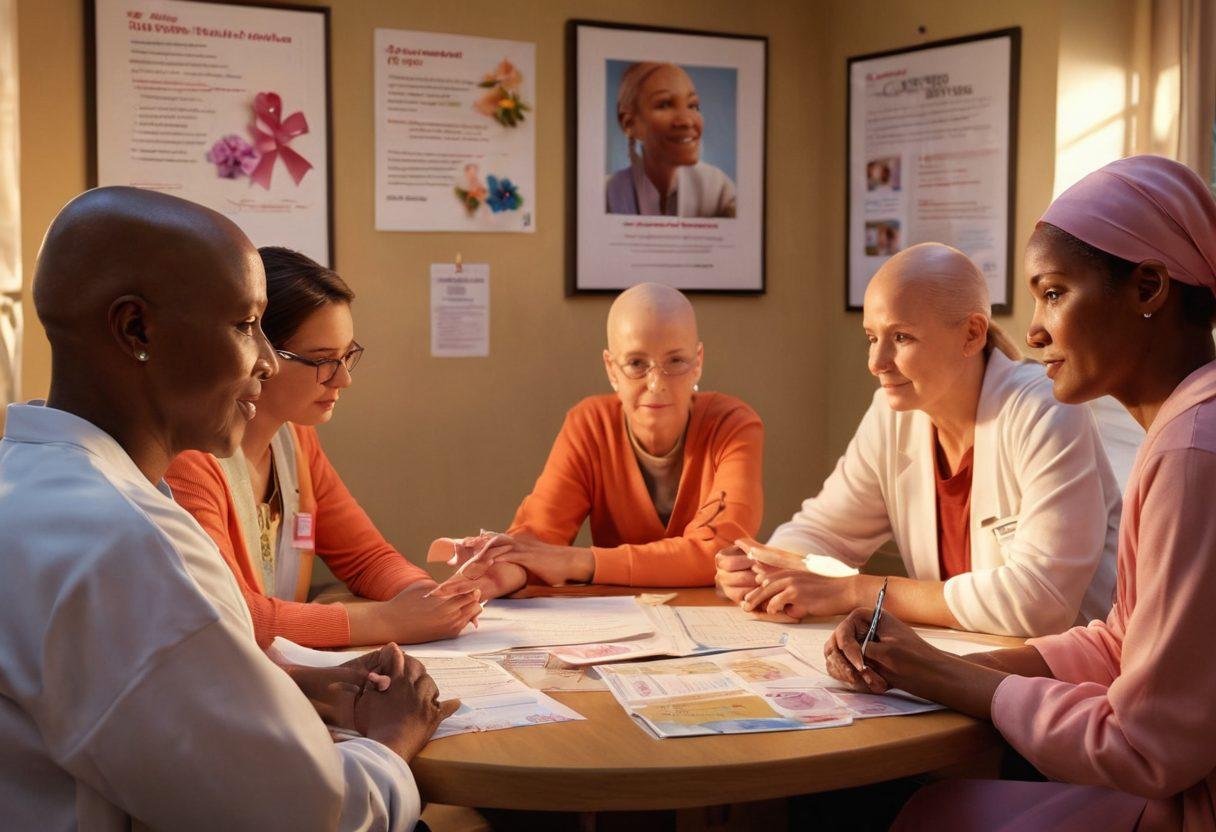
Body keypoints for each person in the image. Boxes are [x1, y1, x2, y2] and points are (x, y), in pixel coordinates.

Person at [0, 186, 454, 830]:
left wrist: (289, 685)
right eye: (245, 326)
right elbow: (304, 816)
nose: (265, 361)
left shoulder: (28, 479)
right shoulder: (127, 544)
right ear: (137, 329)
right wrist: (391, 745)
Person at [826, 155, 1216, 831]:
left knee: (930, 817)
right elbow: (1126, 640)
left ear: (1148, 287)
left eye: (1055, 293)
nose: (1032, 331)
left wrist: (953, 678)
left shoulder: (1192, 451)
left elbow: (1150, 749)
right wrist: (924, 662)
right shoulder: (1186, 424)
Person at [719, 243, 1121, 637]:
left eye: (902, 337)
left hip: (1070, 680)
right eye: (872, 337)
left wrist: (860, 591)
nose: (876, 363)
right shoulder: (891, 414)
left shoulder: (1045, 410)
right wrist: (765, 568)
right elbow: (824, 532)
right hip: (961, 667)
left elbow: (1039, 603)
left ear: (971, 334)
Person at [167, 247, 480, 649]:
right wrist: (390, 620)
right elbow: (237, 617)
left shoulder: (294, 439)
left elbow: (366, 558)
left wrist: (430, 597)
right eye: (322, 360)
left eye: (347, 356)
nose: (343, 379)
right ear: (256, 354)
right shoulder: (188, 461)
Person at [443, 282, 763, 595]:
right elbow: (540, 536)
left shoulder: (732, 424)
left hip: (712, 624)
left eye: (675, 362)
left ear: (698, 363)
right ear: (611, 369)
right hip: (620, 626)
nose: (656, 383)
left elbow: (717, 552)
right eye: (637, 364)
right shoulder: (590, 424)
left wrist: (584, 562)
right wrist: (503, 571)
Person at [605, 62, 736, 218]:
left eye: (693, 106)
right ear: (629, 123)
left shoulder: (718, 190)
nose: (688, 121)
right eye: (665, 104)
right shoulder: (605, 194)